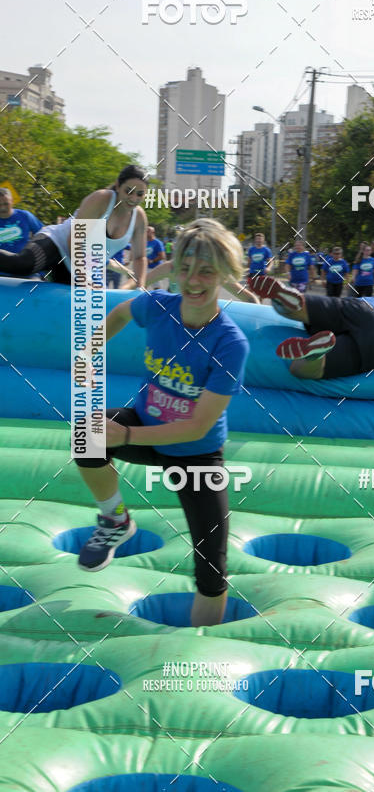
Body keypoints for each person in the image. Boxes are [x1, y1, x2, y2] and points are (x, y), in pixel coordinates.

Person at [74, 219, 250, 627]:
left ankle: (200, 655)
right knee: (87, 434)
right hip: (146, 426)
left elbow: (197, 428)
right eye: (185, 268)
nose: (193, 281)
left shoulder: (229, 342)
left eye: (206, 271)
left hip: (197, 455)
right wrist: (89, 350)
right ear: (174, 268)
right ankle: (115, 519)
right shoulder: (157, 307)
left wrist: (127, 434)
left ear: (225, 275)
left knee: (211, 569)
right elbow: (120, 312)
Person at [0, 164, 148, 286]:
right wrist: (83, 276)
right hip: (56, 244)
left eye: (140, 194)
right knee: (22, 265)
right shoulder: (101, 199)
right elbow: (76, 240)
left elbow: (140, 257)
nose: (133, 198)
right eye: (129, 191)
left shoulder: (139, 218)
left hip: (77, 265)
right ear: (118, 186)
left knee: (78, 310)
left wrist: (140, 285)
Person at [128, 257, 260, 304]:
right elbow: (138, 282)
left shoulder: (216, 271)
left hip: (204, 322)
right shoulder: (172, 267)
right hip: (175, 318)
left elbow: (250, 299)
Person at [0, 188, 43, 277]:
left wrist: (41, 270)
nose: (3, 208)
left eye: (5, 204)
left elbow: (44, 236)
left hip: (25, 272)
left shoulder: (25, 216)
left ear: (12, 201)